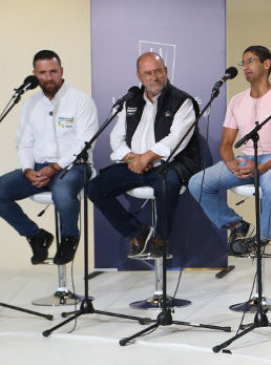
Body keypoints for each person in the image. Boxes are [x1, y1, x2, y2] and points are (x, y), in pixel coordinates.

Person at [188, 45, 271, 256]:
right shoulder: (237, 101)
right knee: (197, 182)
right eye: (243, 63)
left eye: (250, 61)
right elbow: (226, 144)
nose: (245, 66)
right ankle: (237, 225)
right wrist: (231, 164)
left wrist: (263, 166)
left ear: (266, 64)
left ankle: (264, 236)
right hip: (247, 159)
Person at [88, 52, 200, 259]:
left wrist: (146, 157)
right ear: (139, 77)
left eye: (158, 72)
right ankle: (136, 232)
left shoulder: (182, 101)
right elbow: (116, 137)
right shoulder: (131, 101)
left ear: (166, 71)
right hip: (135, 164)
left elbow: (177, 139)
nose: (154, 78)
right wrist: (132, 159)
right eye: (147, 73)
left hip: (170, 165)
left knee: (167, 185)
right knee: (95, 187)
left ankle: (161, 238)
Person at [0, 50, 98, 265]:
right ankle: (36, 236)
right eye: (42, 72)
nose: (48, 77)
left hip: (74, 166)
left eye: (53, 71)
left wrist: (55, 167)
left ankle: (70, 237)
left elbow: (85, 143)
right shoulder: (30, 104)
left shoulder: (80, 101)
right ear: (35, 74)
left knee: (62, 191)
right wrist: (28, 170)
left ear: (61, 71)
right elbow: (24, 143)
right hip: (39, 166)